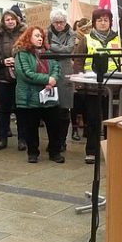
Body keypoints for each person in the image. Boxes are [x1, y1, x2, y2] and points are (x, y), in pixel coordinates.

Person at [73, 8, 122, 164]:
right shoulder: (86, 39)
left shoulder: (118, 39)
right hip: (92, 87)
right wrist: (80, 83)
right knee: (93, 121)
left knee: (111, 122)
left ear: (110, 22)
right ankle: (91, 152)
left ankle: (111, 152)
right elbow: (79, 61)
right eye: (100, 20)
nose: (103, 23)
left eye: (106, 20)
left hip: (113, 87)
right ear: (94, 22)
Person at [13, 26, 63, 163]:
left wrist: (53, 79)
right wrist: (47, 79)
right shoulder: (21, 54)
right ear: (28, 37)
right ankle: (33, 152)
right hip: (30, 97)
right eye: (36, 36)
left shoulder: (48, 53)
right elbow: (25, 73)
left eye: (41, 36)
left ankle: (55, 152)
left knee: (54, 125)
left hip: (49, 96)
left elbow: (56, 68)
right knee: (31, 127)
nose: (40, 38)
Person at [0, 8, 26, 151]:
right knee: (4, 110)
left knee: (21, 110)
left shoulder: (24, 34)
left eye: (12, 19)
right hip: (2, 77)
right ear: (3, 22)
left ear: (17, 20)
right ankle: (2, 138)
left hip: (21, 78)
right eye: (7, 19)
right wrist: (2, 61)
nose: (10, 22)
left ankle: (22, 139)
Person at [46, 9, 75, 150]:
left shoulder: (71, 33)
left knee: (64, 109)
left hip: (65, 72)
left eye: (61, 22)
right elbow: (45, 49)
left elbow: (69, 49)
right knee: (51, 109)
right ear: (52, 22)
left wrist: (52, 47)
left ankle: (62, 141)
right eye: (56, 22)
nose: (59, 25)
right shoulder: (46, 33)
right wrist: (57, 48)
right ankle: (53, 141)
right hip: (50, 70)